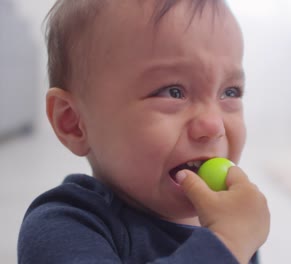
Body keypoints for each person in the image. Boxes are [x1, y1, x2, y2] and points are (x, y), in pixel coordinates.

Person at [17, 0, 270, 263]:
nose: (213, 126)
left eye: (230, 92)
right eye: (173, 91)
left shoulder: (228, 221)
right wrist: (227, 244)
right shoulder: (65, 227)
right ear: (73, 122)